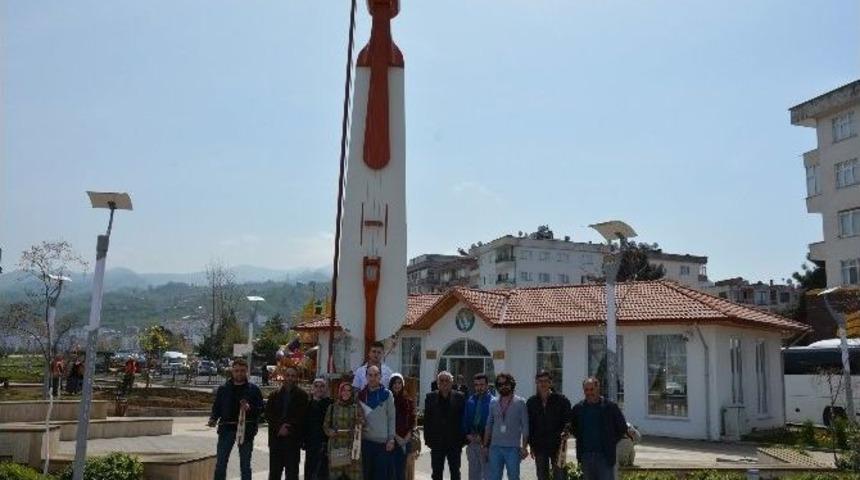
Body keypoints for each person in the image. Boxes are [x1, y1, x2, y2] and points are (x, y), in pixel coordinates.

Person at [208, 358, 264, 480]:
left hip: (246, 431)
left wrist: (250, 408)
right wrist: (213, 418)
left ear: (247, 372)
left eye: (242, 371)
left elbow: (261, 410)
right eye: (236, 371)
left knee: (245, 465)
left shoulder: (254, 390)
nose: (239, 373)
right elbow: (217, 406)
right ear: (232, 372)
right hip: (226, 430)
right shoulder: (223, 389)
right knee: (221, 464)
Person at [570, 377, 628, 480]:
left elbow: (622, 428)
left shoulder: (610, 407)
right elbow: (573, 427)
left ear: (598, 389)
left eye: (592, 389)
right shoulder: (578, 408)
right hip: (586, 456)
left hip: (605, 457)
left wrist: (610, 441)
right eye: (586, 390)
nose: (589, 393)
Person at [483, 372, 529, 480]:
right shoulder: (493, 402)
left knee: (513, 477)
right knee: (494, 477)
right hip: (495, 448)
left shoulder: (520, 402)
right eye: (500, 384)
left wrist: (524, 447)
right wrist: (485, 446)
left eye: (506, 383)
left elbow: (525, 426)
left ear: (511, 384)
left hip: (513, 448)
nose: (503, 386)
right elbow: (488, 425)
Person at [266, 365, 309, 480]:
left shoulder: (303, 396)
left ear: (296, 378)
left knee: (292, 473)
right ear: (284, 376)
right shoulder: (274, 395)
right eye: (288, 375)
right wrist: (279, 427)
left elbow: (301, 417)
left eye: (293, 376)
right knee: (274, 473)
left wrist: (287, 428)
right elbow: (269, 415)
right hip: (276, 439)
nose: (290, 378)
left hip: (293, 440)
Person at [527, 371, 571, 480]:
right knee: (542, 476)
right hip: (539, 446)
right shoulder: (531, 402)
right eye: (540, 381)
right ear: (536, 383)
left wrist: (567, 432)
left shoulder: (562, 400)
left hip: (558, 445)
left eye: (546, 381)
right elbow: (530, 425)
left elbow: (569, 420)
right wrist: (531, 445)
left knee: (560, 476)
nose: (543, 384)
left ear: (550, 383)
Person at [424, 371, 466, 480]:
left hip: (454, 443)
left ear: (452, 383)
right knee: (436, 473)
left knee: (455, 472)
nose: (444, 383)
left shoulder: (460, 397)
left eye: (447, 380)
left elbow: (464, 419)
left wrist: (462, 441)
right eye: (441, 380)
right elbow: (427, 420)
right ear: (437, 383)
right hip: (437, 443)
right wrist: (428, 440)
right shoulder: (430, 397)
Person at [358, 365, 396, 480]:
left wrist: (391, 438)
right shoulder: (360, 395)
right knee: (366, 475)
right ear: (366, 377)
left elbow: (391, 417)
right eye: (370, 375)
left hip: (383, 444)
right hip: (365, 443)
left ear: (380, 377)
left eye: (376, 375)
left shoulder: (387, 394)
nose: (373, 378)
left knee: (381, 476)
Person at [324, 381, 364, 480]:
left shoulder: (355, 407)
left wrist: (358, 425)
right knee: (337, 476)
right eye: (343, 390)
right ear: (340, 392)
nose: (346, 393)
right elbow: (326, 425)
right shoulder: (333, 407)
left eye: (349, 391)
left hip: (352, 447)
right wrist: (330, 432)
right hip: (337, 446)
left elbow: (362, 424)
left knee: (353, 476)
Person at [462, 373, 493, 480]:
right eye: (476, 385)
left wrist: (484, 437)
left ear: (487, 385)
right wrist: (467, 435)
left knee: (488, 475)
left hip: (487, 445)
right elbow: (465, 420)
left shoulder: (494, 402)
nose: (479, 387)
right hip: (472, 443)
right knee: (473, 476)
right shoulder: (470, 400)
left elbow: (495, 424)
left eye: (482, 384)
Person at [304, 378, 333, 480]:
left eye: (322, 386)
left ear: (326, 389)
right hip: (311, 445)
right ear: (312, 388)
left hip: (325, 444)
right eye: (316, 386)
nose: (319, 389)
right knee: (310, 472)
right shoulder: (308, 404)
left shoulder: (331, 404)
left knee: (323, 474)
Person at [389, 373, 416, 480]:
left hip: (406, 440)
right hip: (392, 440)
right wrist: (397, 437)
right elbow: (387, 421)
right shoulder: (387, 401)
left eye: (399, 383)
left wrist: (407, 437)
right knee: (392, 470)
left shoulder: (408, 401)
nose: (397, 385)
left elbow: (412, 421)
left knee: (402, 470)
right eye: (395, 383)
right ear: (391, 384)